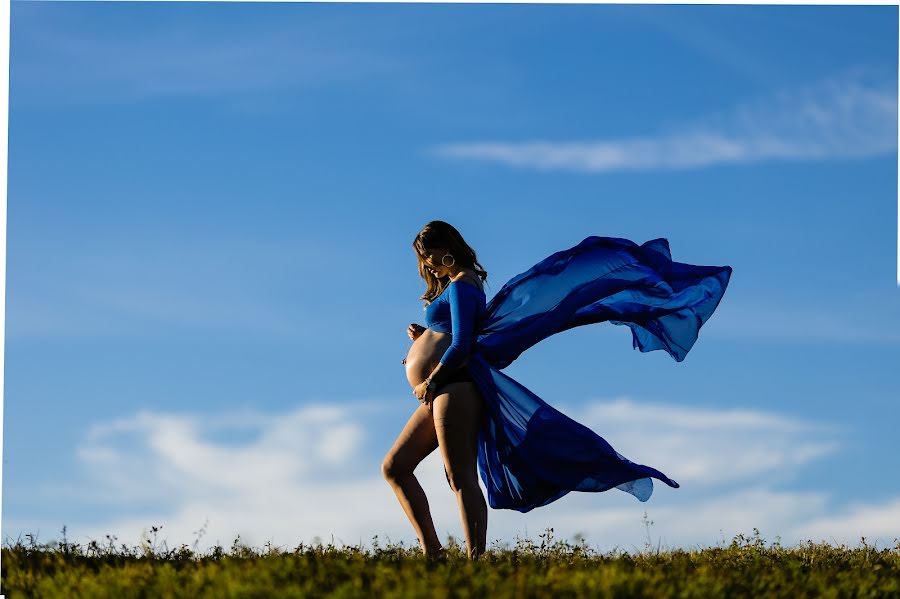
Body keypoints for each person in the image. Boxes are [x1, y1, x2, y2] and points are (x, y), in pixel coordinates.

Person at [383, 221, 733, 562]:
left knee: (459, 476)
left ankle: (475, 560)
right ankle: (435, 553)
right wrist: (424, 339)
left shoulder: (461, 284)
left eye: (431, 253)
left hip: (453, 387)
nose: (428, 262)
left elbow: (461, 344)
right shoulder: (455, 286)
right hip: (443, 389)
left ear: (448, 248)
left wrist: (431, 378)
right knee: (396, 467)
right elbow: (454, 333)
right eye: (423, 257)